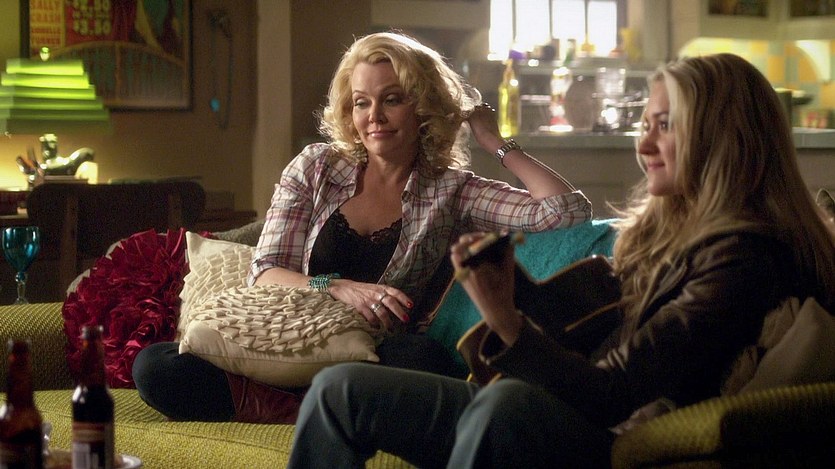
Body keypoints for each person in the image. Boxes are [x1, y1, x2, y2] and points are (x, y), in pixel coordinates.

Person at [286, 53, 835, 468]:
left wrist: (506, 319)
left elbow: (613, 392)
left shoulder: (742, 260)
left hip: (601, 429)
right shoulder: (673, 235)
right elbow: (594, 336)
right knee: (341, 391)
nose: (644, 145)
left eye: (665, 126)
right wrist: (511, 286)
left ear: (721, 137)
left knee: (505, 406)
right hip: (550, 399)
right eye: (644, 124)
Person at [132, 31, 591, 423]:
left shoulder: (453, 191)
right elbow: (267, 270)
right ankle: (309, 404)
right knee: (156, 366)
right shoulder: (316, 167)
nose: (374, 116)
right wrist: (337, 287)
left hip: (370, 353)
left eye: (392, 99)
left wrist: (496, 142)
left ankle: (284, 403)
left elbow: (565, 211)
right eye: (361, 102)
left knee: (424, 360)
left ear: (423, 107)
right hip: (286, 334)